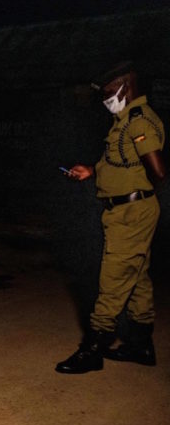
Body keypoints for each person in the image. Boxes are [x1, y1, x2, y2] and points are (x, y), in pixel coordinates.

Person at [56, 62, 166, 374]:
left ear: (125, 85)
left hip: (131, 213)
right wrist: (92, 171)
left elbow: (157, 171)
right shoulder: (123, 121)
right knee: (138, 279)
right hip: (128, 210)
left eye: (108, 92)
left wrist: (135, 193)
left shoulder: (138, 121)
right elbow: (121, 161)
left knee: (112, 280)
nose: (105, 98)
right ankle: (141, 345)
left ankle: (92, 349)